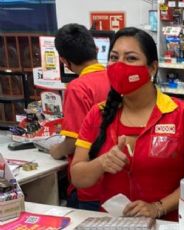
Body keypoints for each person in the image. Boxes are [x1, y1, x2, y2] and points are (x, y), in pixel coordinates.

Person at [70, 27, 184, 221]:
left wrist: (158, 207)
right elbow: (78, 178)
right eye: (114, 57)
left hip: (166, 224)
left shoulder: (183, 115)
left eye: (131, 58)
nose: (119, 65)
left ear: (152, 67)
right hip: (113, 224)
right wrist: (101, 163)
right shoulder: (98, 114)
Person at [50, 23, 110, 211]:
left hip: (89, 185)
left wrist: (55, 151)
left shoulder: (78, 87)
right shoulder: (116, 79)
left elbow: (72, 142)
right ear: (97, 49)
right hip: (116, 182)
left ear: (63, 60)